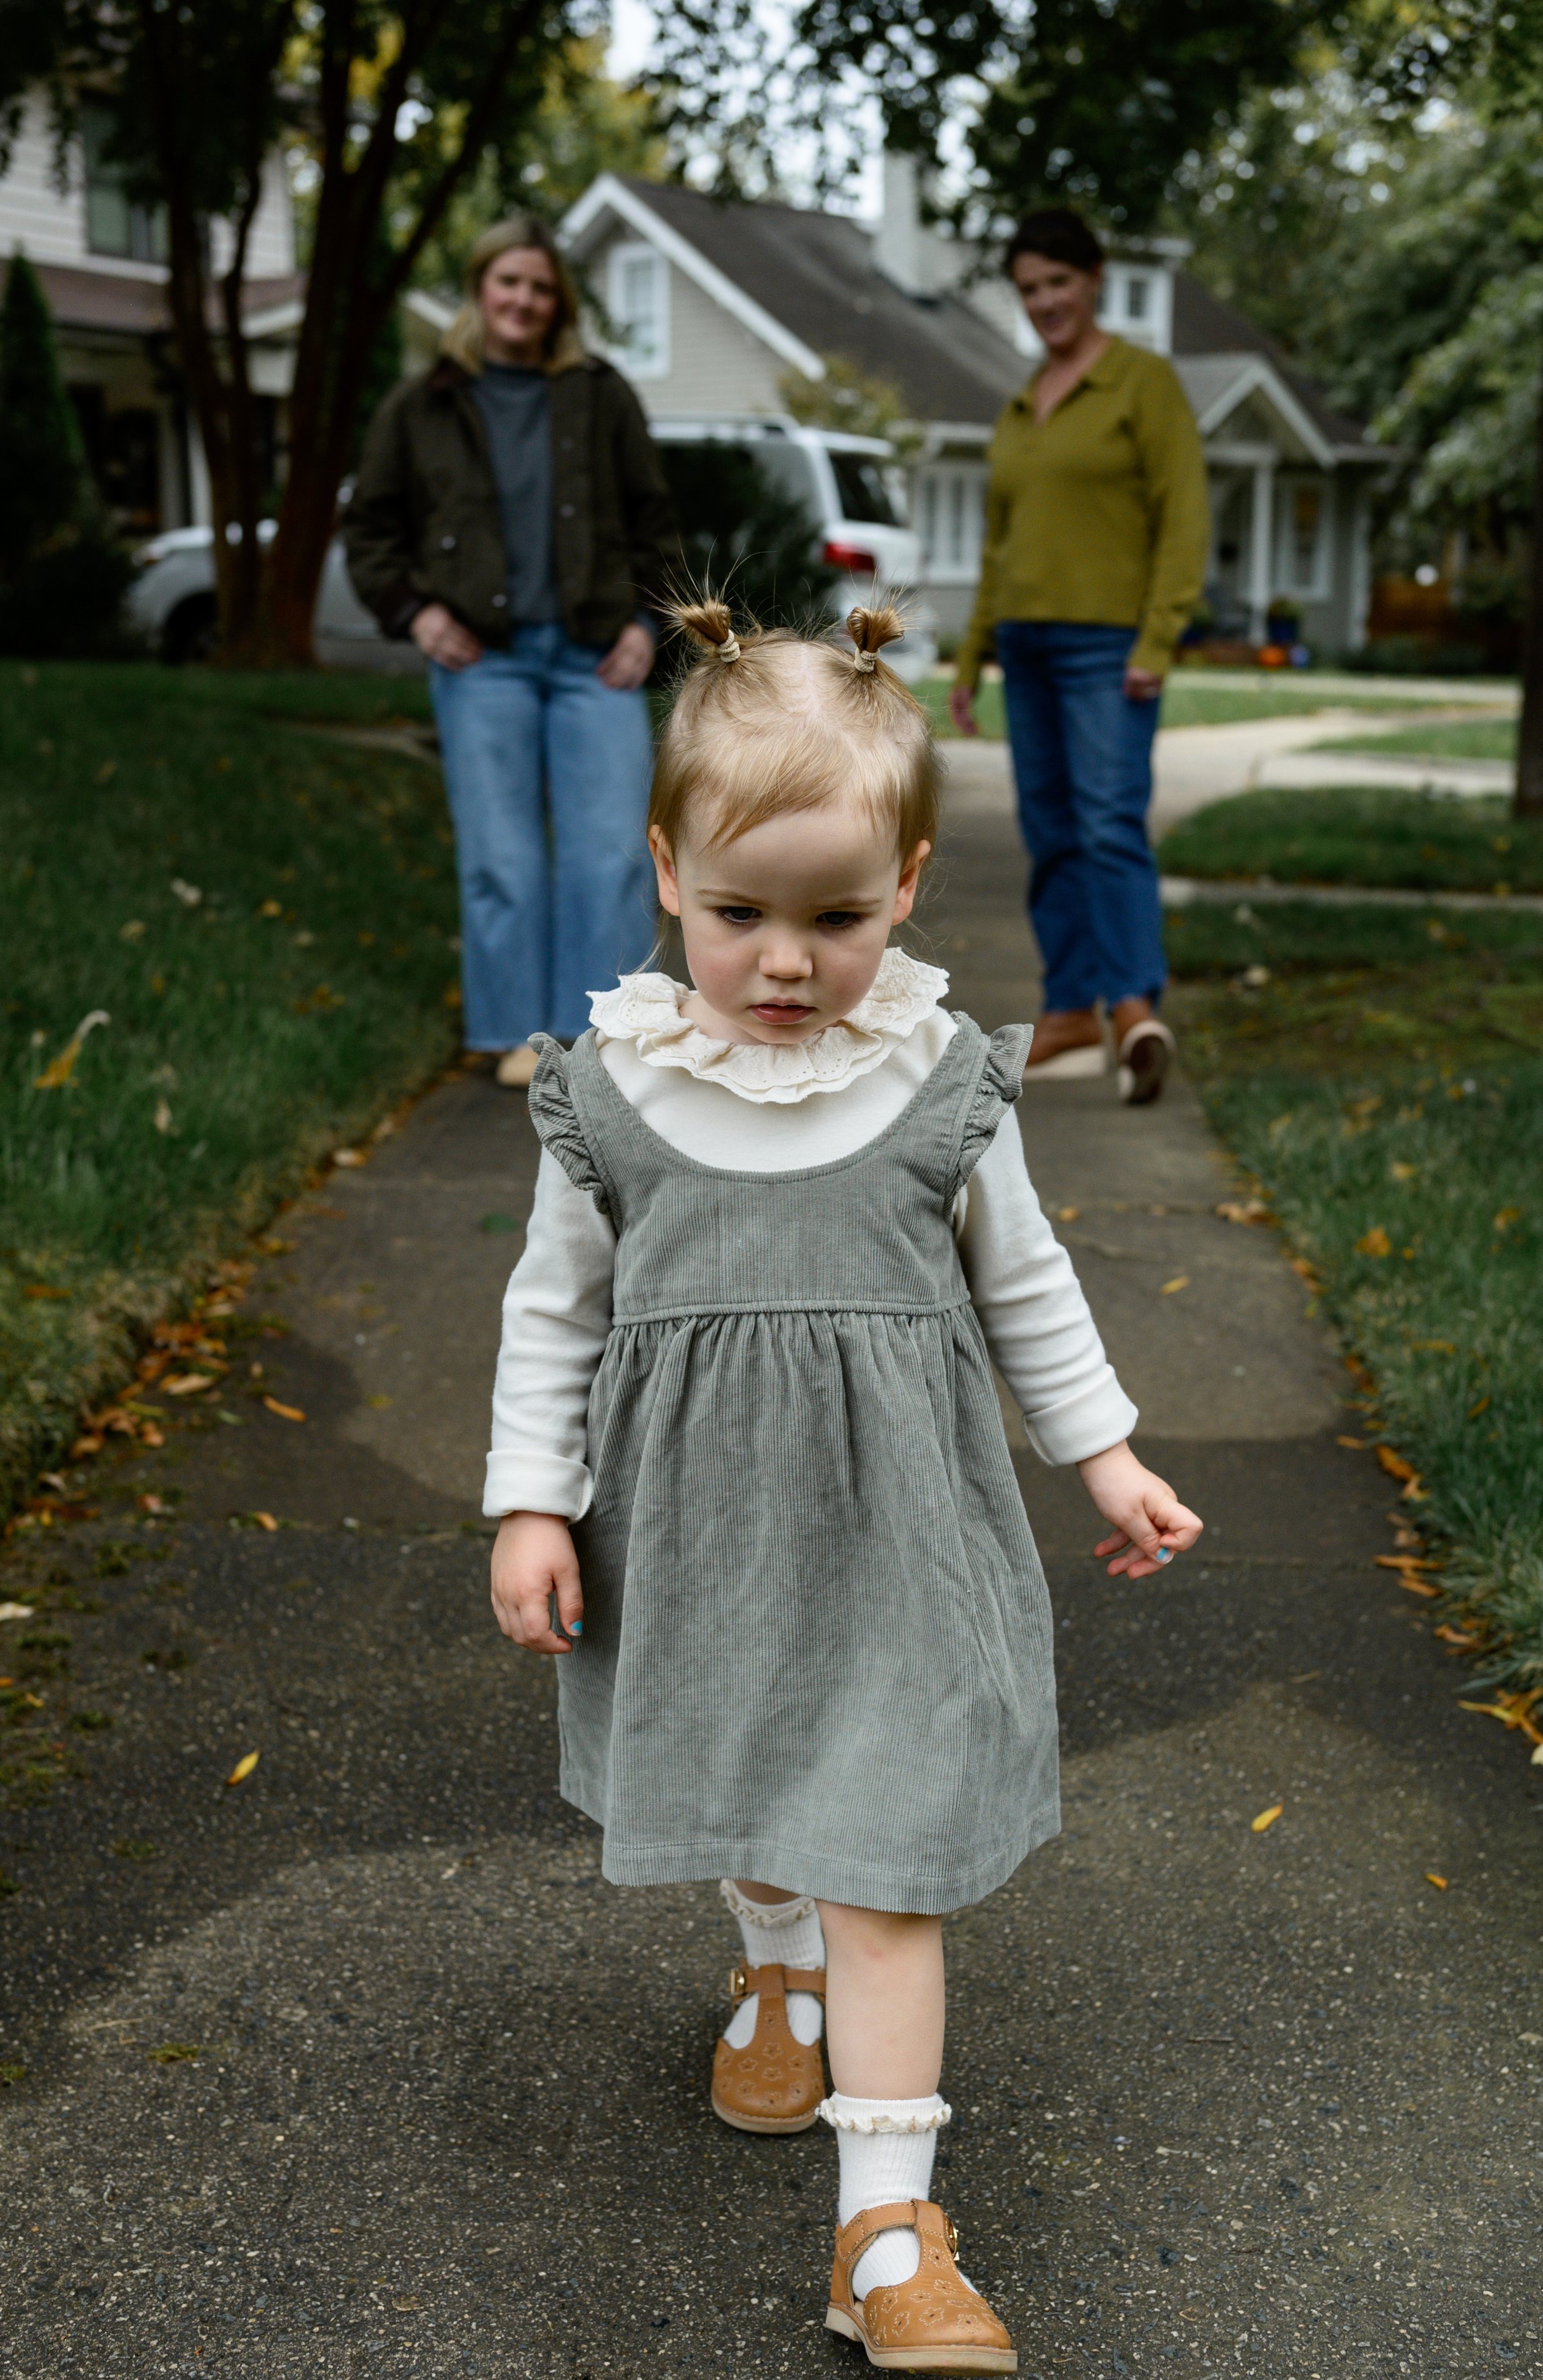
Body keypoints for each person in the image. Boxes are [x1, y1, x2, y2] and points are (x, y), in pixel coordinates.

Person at [484, 600, 1203, 2369]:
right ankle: (770, 1961)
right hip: (693, 1530)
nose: (787, 961)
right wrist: (524, 1495)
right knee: (749, 1765)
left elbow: (1024, 1279)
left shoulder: (941, 1081)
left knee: (889, 1853)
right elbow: (549, 1307)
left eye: (838, 915)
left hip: (905, 1532)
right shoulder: (616, 1093)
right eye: (740, 913)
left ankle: (881, 2225)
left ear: (903, 880)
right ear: (665, 870)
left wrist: (1101, 1452)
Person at [343, 218, 680, 1088]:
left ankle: (602, 1039)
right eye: (508, 283)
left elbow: (655, 526)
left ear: (557, 302)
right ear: (480, 290)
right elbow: (372, 530)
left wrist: (648, 625)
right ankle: (513, 1037)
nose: (524, 300)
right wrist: (415, 614)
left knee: (611, 853)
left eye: (540, 287)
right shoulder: (422, 406)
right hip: (478, 660)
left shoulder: (601, 395)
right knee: (502, 857)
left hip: (594, 656)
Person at [950, 209, 1209, 1106]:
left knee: (1107, 821)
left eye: (1059, 282)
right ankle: (1067, 1013)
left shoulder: (1144, 383)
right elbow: (1000, 544)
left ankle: (1134, 1006)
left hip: (1109, 646)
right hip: (1024, 643)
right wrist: (972, 653)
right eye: (1029, 288)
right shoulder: (1024, 404)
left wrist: (1159, 636)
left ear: (1095, 278)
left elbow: (1184, 519)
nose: (1045, 302)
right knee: (1050, 830)